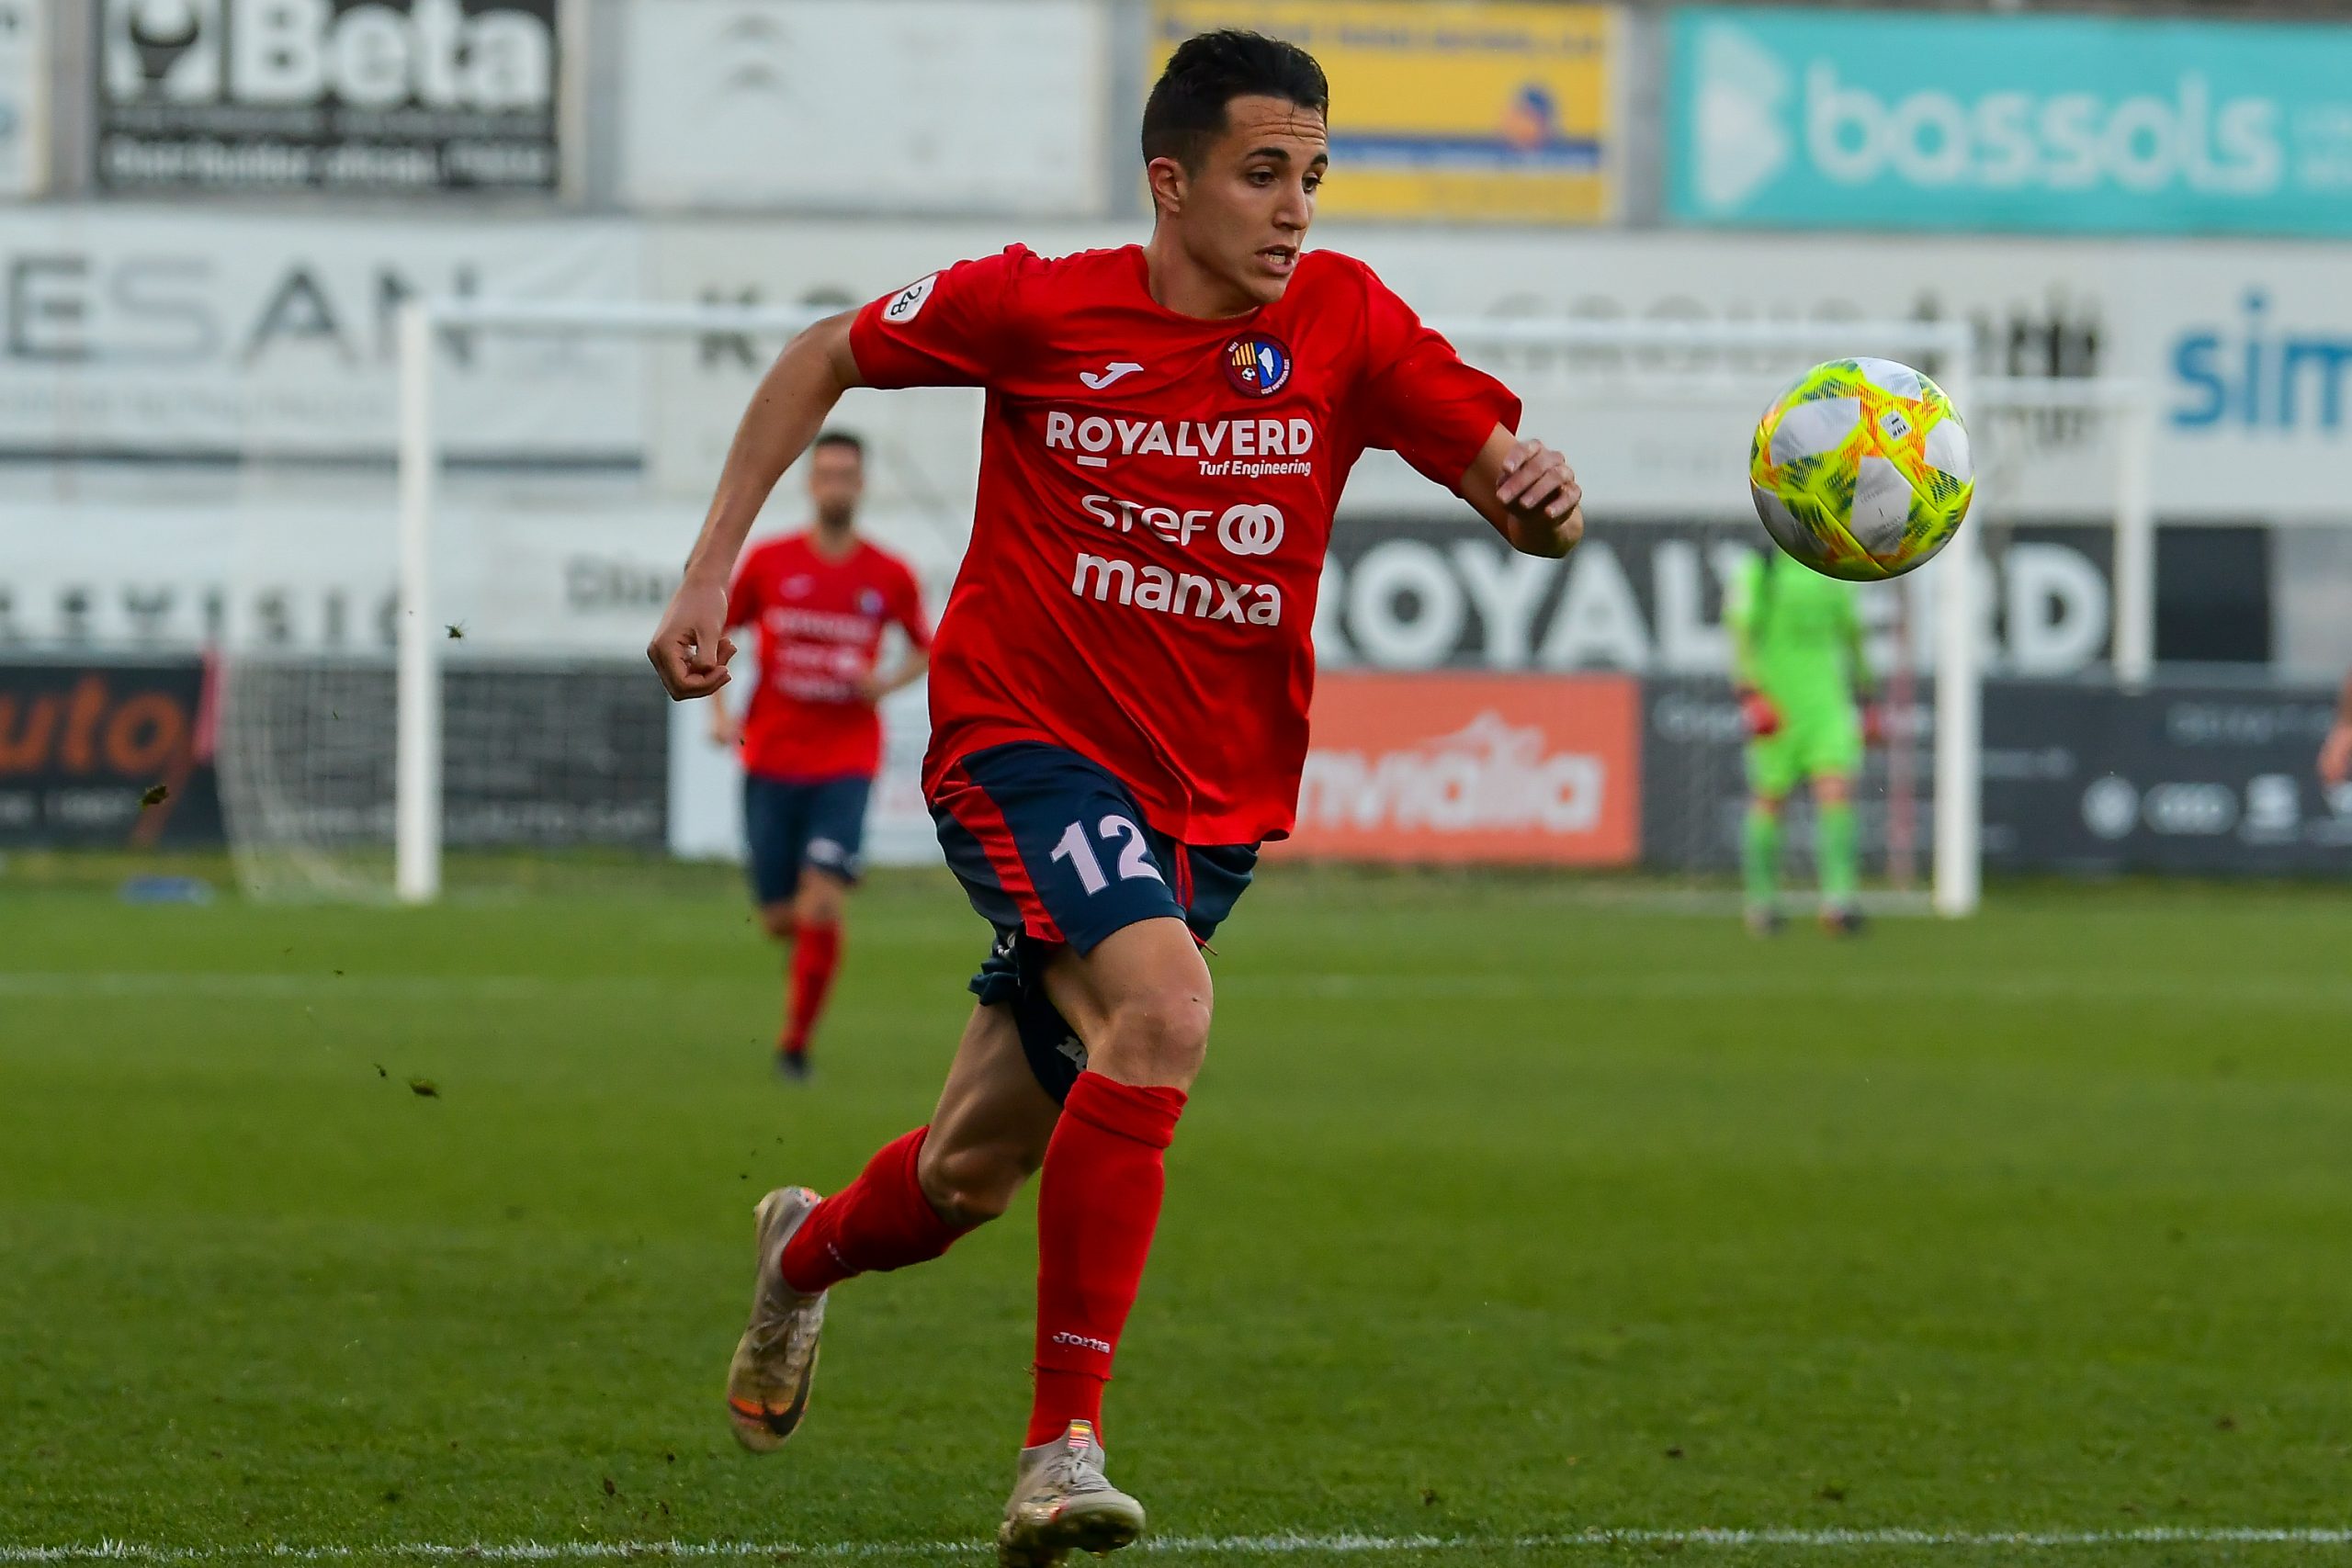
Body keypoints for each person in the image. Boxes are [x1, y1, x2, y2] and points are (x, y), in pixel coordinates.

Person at [646, 29, 1583, 1566]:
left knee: (967, 1173)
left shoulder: (1344, 322)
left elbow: (1511, 488)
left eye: (1315, 177)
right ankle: (1059, 1450)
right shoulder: (1038, 306)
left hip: (1206, 806)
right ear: (1171, 182)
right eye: (1263, 174)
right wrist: (707, 575)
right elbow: (825, 352)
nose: (1296, 209)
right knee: (1164, 1006)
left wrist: (1542, 502)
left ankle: (800, 1253)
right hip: (1021, 748)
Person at [707, 430, 932, 1078]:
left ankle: (794, 1046)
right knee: (781, 917)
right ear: (810, 483)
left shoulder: (889, 573)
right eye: (826, 473)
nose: (836, 485)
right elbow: (718, 630)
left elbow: (926, 647)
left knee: (824, 901)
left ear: (861, 485)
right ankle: (804, 941)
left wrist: (884, 683)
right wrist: (720, 713)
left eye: (846, 475)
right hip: (771, 756)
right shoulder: (771, 562)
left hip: (846, 761)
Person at [1726, 546, 1881, 937]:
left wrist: (1868, 696)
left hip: (1828, 701)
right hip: (1777, 702)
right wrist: (1750, 693)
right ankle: (1761, 903)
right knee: (1769, 798)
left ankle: (1838, 902)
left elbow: (1853, 637)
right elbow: (1740, 632)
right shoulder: (1761, 567)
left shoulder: (1838, 567)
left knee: (1836, 791)